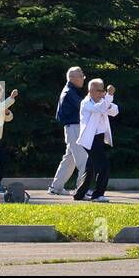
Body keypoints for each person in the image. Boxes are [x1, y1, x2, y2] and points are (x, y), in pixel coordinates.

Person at [74, 79, 119, 202]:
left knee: (91, 168)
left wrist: (108, 101)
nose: (102, 93)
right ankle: (98, 195)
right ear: (91, 91)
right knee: (104, 165)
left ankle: (79, 194)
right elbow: (99, 108)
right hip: (89, 140)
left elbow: (115, 111)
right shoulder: (86, 103)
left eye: (103, 91)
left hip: (98, 138)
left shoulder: (102, 102)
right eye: (99, 91)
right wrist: (109, 96)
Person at [48, 67, 88, 196]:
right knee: (84, 160)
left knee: (69, 160)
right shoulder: (70, 92)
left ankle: (56, 187)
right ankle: (82, 189)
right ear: (72, 78)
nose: (83, 79)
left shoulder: (70, 91)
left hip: (72, 128)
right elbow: (83, 107)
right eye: (81, 76)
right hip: (75, 128)